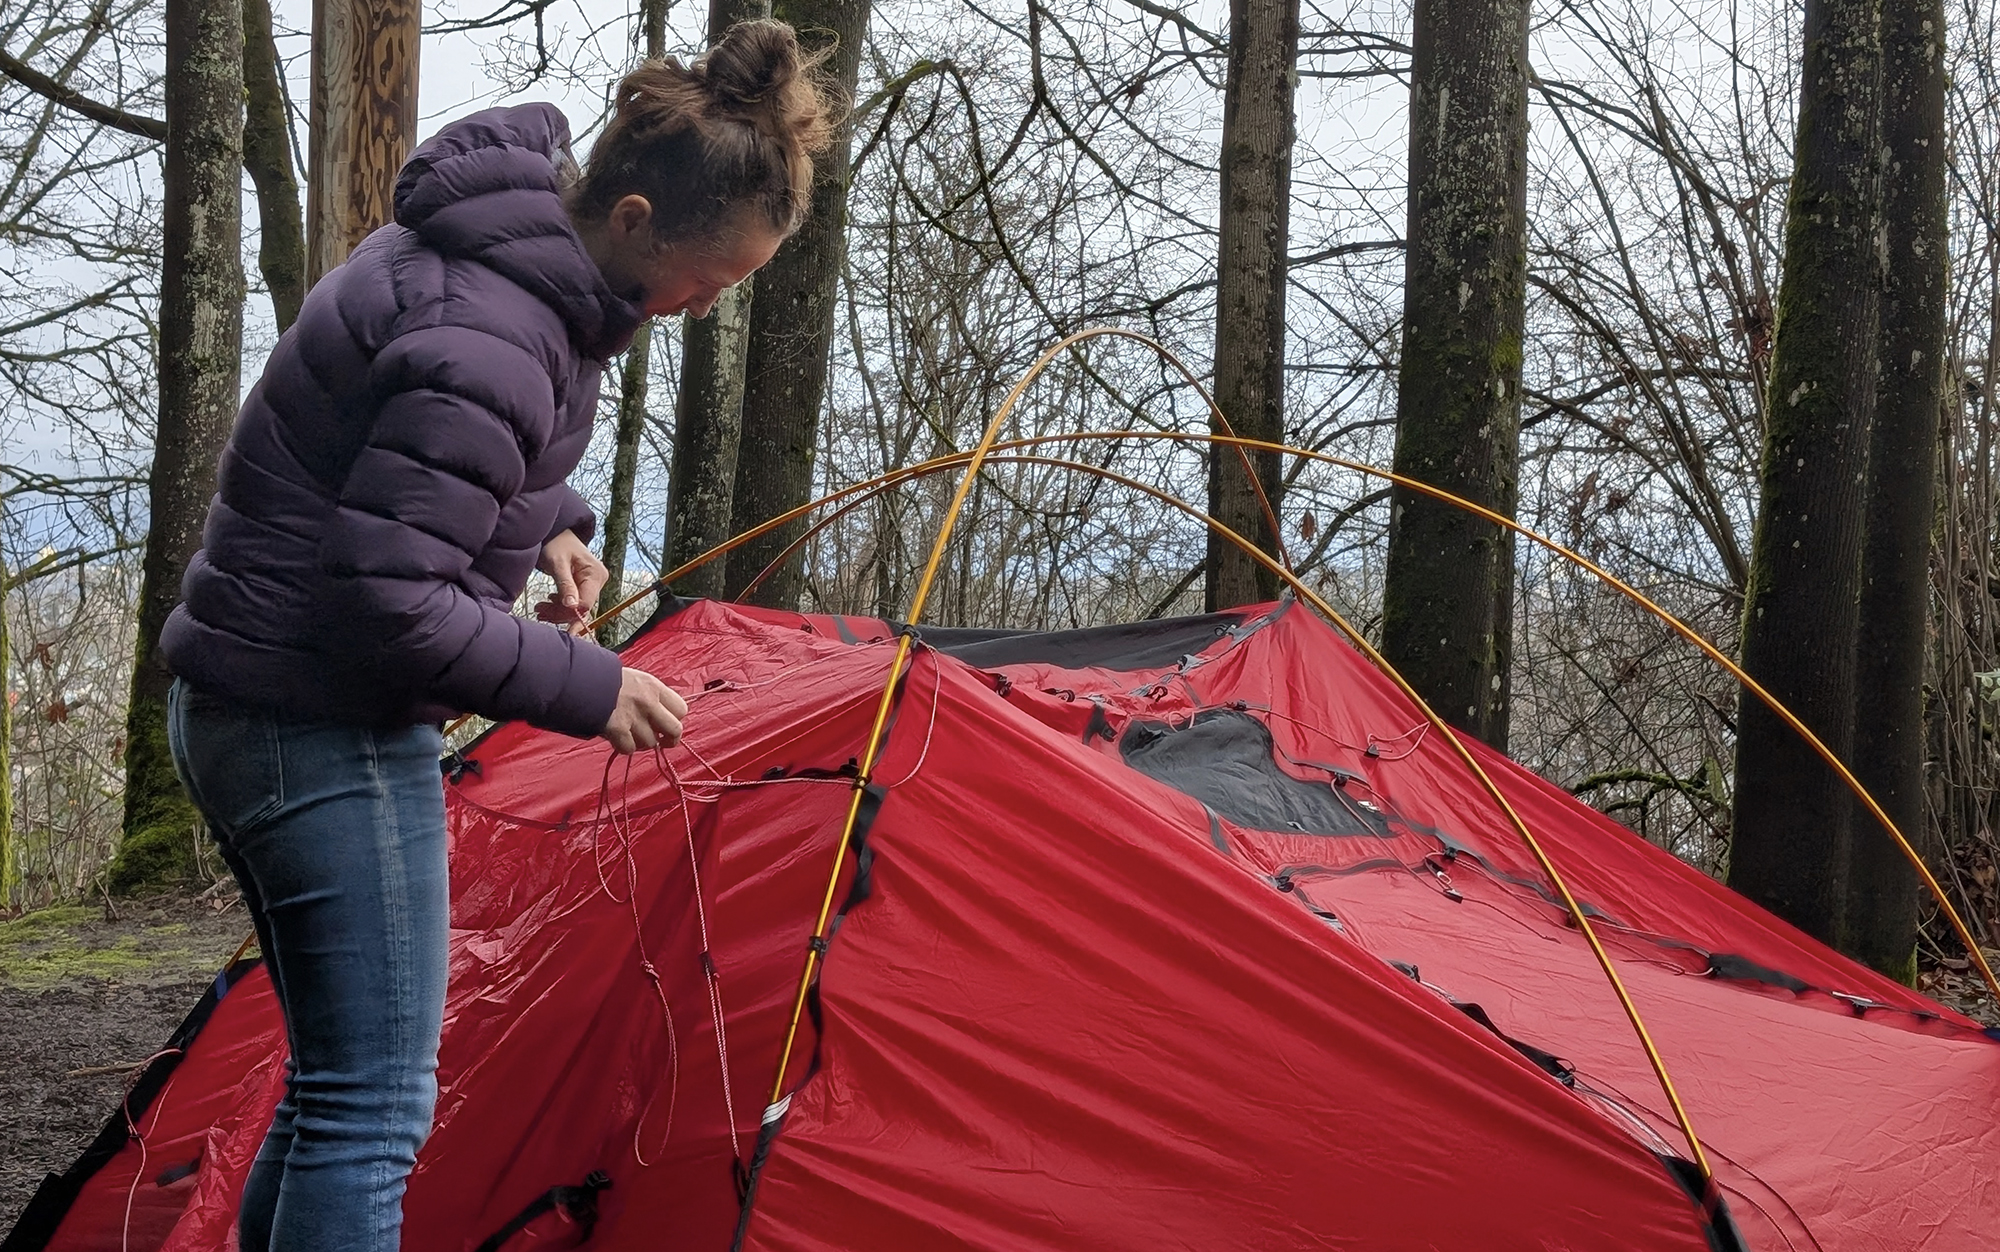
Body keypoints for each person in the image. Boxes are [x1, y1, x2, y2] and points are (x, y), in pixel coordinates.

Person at [158, 20, 837, 1252]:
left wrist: (551, 529)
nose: (698, 306)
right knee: (372, 1110)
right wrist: (590, 686)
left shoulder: (510, 270)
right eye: (713, 278)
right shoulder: (496, 330)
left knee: (335, 1093)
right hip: (316, 721)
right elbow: (388, 594)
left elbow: (424, 458)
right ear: (633, 217)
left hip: (259, 697)